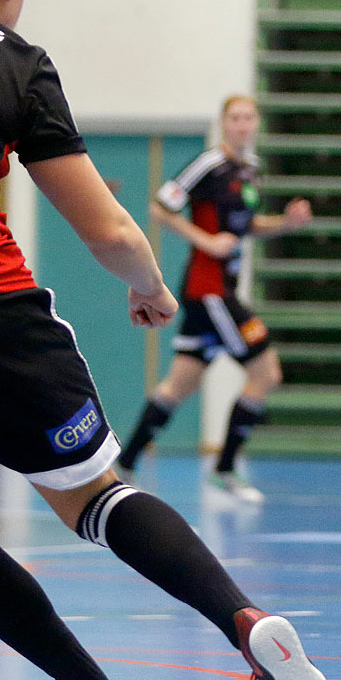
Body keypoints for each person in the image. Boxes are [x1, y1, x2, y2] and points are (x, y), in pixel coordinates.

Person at [0, 0, 329, 680]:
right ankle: (243, 621)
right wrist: (152, 287)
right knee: (91, 498)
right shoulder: (15, 61)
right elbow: (111, 230)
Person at [115, 95, 311, 503]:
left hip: (222, 291)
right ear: (224, 123)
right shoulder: (209, 165)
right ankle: (224, 469)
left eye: (249, 117)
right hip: (210, 291)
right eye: (235, 118)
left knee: (178, 386)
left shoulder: (251, 170)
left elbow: (247, 226)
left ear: (256, 123)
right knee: (267, 372)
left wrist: (285, 225)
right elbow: (160, 208)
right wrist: (205, 241)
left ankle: (125, 464)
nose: (242, 125)